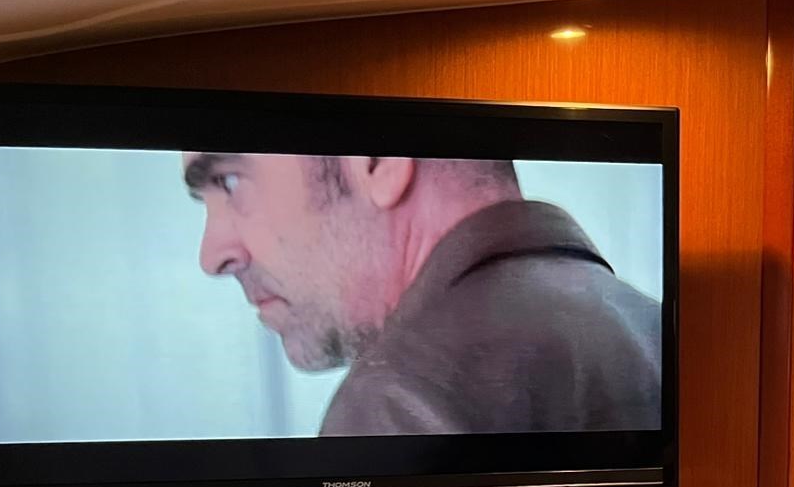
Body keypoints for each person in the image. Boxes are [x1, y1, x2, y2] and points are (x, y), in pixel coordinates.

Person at [183, 152, 661, 435]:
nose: (212, 256)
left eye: (229, 181)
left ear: (378, 162)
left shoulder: (396, 403)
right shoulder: (660, 331)